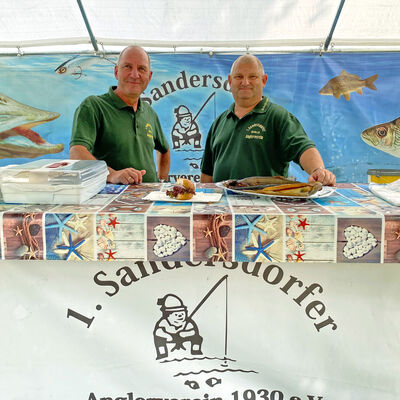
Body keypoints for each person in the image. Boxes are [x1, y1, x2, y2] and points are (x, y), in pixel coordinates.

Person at [200, 54, 336, 186]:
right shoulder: (219, 122)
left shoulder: (278, 116)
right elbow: (207, 174)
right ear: (230, 81)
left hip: (265, 206)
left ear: (264, 80)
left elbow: (302, 148)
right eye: (239, 77)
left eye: (252, 76)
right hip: (224, 206)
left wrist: (318, 170)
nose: (245, 82)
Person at [70, 46, 170, 184]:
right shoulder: (94, 106)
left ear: (149, 76)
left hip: (150, 201)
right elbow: (76, 153)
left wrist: (162, 182)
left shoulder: (149, 112)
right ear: (116, 72)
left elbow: (164, 150)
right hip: (111, 203)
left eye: (142, 69)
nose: (135, 74)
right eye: (127, 67)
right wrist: (111, 175)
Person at [153, 294, 203, 360]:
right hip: (169, 336)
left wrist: (185, 334)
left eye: (182, 314)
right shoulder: (164, 322)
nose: (180, 316)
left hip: (183, 336)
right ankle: (162, 354)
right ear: (167, 316)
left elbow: (194, 331)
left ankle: (196, 351)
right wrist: (167, 336)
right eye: (176, 314)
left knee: (198, 338)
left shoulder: (187, 322)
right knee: (159, 340)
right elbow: (158, 332)